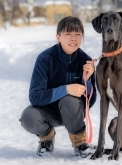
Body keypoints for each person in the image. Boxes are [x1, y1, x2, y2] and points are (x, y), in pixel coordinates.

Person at [19, 16, 97, 157]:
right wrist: (66, 89)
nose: (73, 39)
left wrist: (89, 78)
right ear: (58, 36)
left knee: (69, 100)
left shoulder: (86, 61)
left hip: (73, 112)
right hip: (47, 111)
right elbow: (35, 96)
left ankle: (80, 143)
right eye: (68, 34)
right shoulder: (45, 58)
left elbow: (89, 102)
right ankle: (46, 138)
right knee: (28, 117)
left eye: (78, 34)